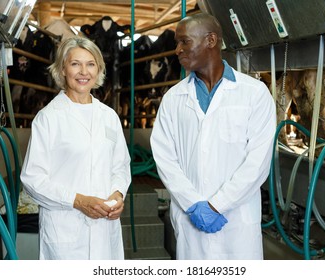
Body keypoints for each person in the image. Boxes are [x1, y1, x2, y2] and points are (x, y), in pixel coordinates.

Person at [150, 13, 276, 260]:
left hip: (237, 219)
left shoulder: (254, 93)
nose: (177, 50)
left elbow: (258, 162)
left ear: (210, 40)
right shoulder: (173, 98)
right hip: (191, 216)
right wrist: (193, 204)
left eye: (184, 42)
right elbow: (164, 157)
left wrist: (217, 205)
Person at [20, 36, 131, 260]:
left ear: (98, 70)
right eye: (75, 64)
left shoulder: (109, 116)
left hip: (105, 227)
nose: (84, 72)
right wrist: (78, 200)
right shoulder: (49, 118)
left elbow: (121, 165)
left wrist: (118, 194)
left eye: (90, 64)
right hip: (66, 230)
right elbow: (33, 179)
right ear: (62, 69)